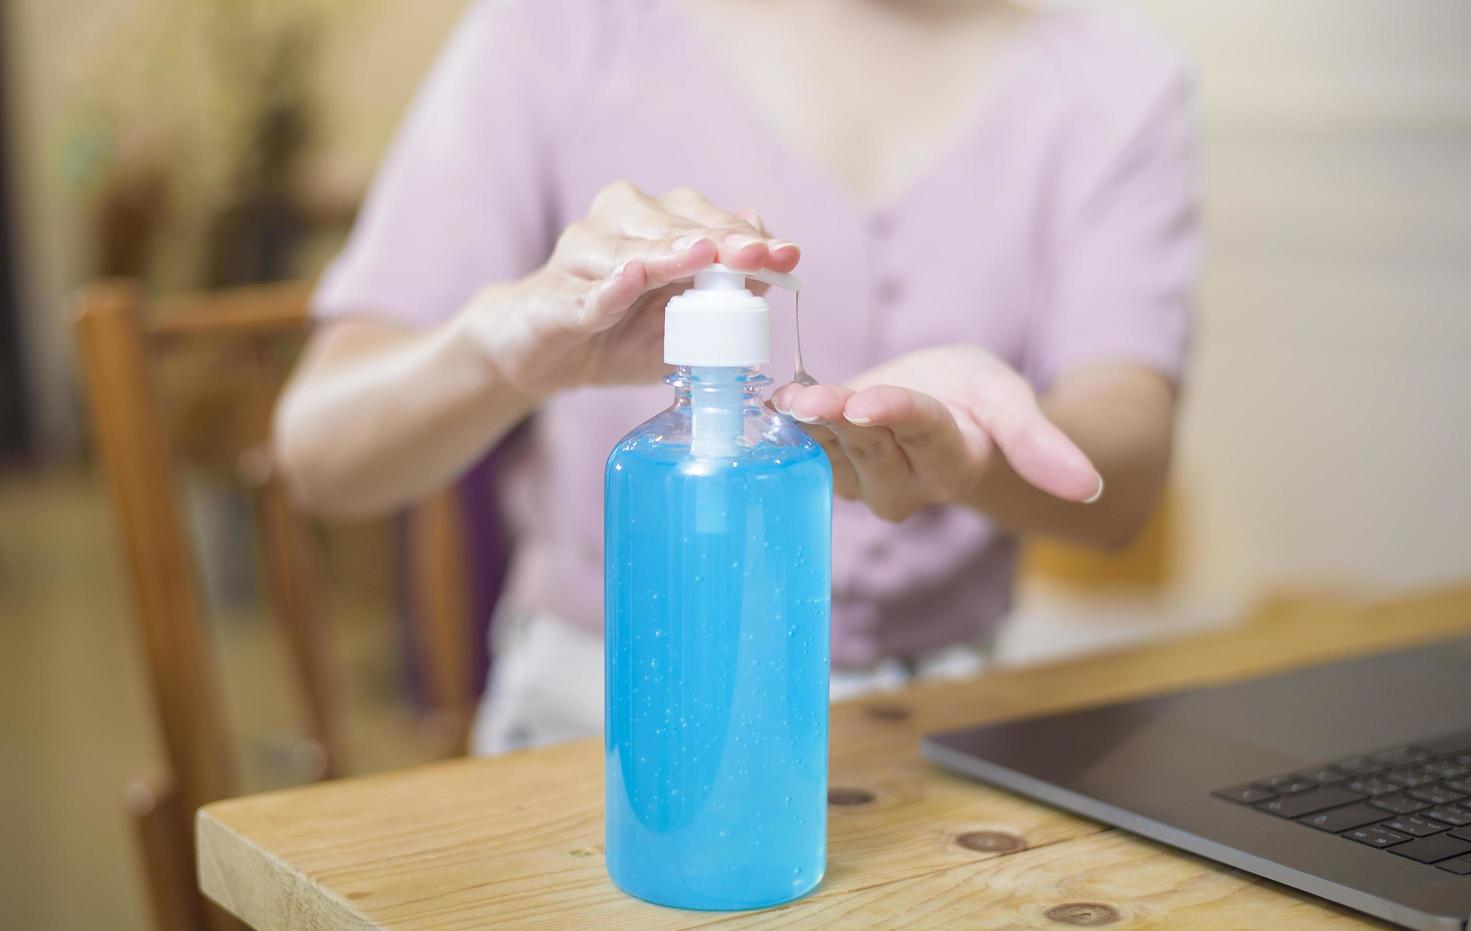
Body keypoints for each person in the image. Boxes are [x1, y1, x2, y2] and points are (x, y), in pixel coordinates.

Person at [274, 0, 1200, 754]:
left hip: (951, 735)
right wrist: (499, 349)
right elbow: (318, 454)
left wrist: (981, 452)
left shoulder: (1117, 86)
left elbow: (1121, 488)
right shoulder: (557, 31)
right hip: (598, 720)